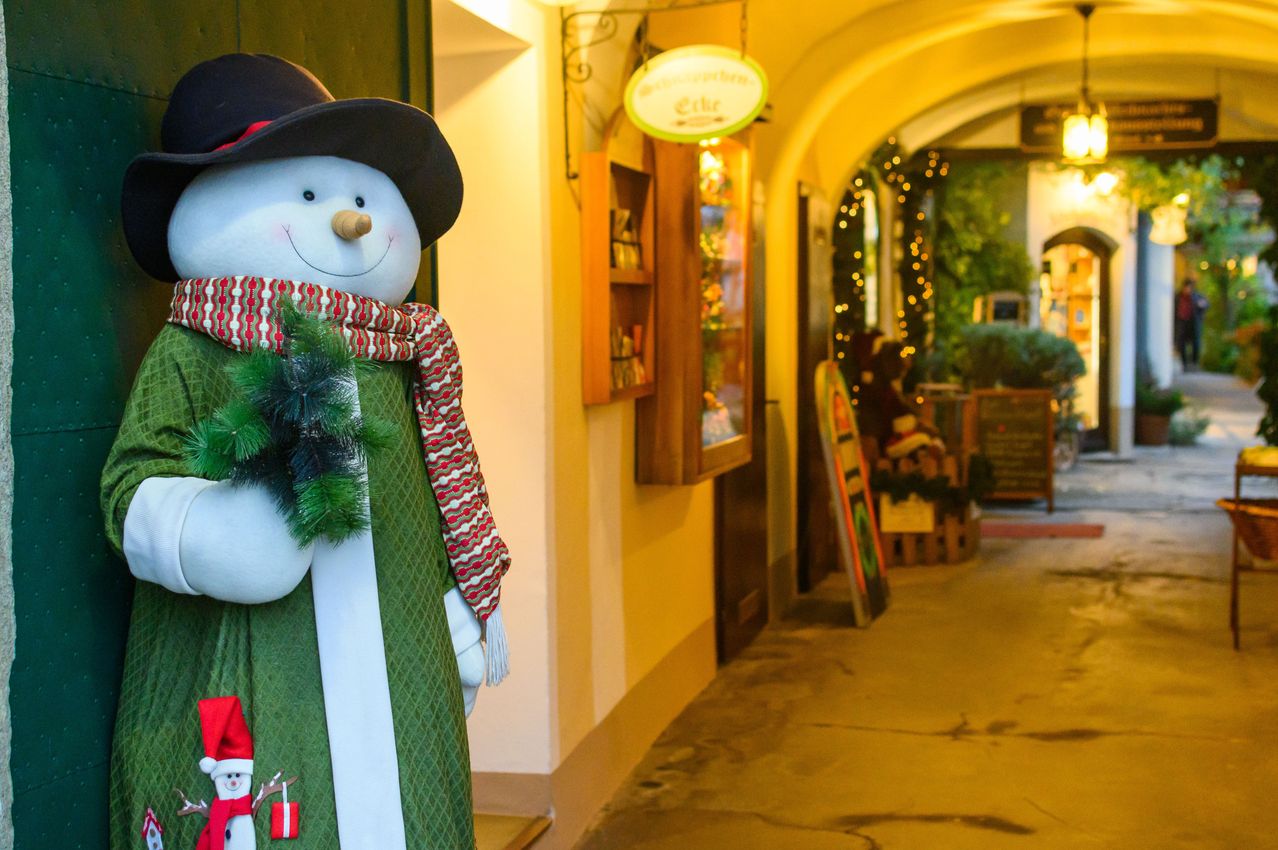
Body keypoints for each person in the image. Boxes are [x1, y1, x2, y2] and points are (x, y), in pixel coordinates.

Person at [1174, 278, 1210, 370]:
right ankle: (1184, 364)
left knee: (1195, 343)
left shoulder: (1197, 296)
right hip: (1181, 322)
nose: (1187, 290)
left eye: (1189, 288)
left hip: (1194, 322)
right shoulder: (1178, 296)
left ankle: (1194, 363)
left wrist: (1202, 305)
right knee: (1181, 344)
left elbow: (1206, 304)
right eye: (1186, 287)